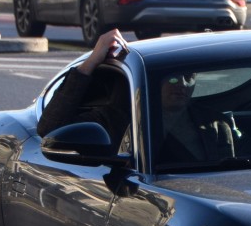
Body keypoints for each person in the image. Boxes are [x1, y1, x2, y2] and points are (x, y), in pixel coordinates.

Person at [38, 28, 234, 165]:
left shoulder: (216, 124)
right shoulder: (117, 120)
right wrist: (92, 60)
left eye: (189, 77)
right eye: (173, 79)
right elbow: (50, 128)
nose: (182, 84)